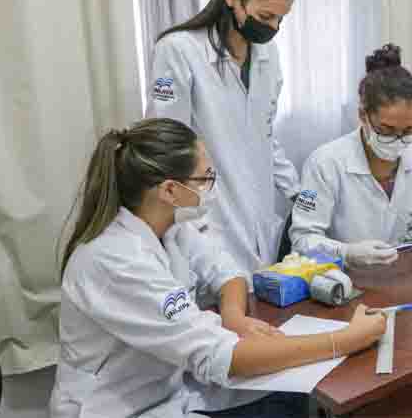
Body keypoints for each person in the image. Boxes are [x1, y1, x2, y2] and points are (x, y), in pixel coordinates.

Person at [49, 118, 385, 418]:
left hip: (167, 387)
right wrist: (345, 340)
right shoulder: (116, 260)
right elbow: (221, 355)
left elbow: (228, 273)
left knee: (287, 397)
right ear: (170, 190)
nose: (212, 188)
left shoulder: (170, 228)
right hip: (116, 406)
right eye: (205, 178)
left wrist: (233, 317)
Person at [147, 0, 300, 278]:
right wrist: (191, 219)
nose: (273, 28)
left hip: (257, 220)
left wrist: (297, 192)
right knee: (220, 298)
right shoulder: (179, 50)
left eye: (281, 19)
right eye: (265, 17)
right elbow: (164, 150)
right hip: (206, 222)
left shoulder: (268, 56)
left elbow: (264, 135)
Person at [289, 44, 412, 269]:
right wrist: (347, 253)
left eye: (407, 130)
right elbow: (302, 240)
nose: (398, 140)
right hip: (348, 280)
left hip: (408, 277)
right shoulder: (324, 164)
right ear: (363, 115)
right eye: (386, 130)